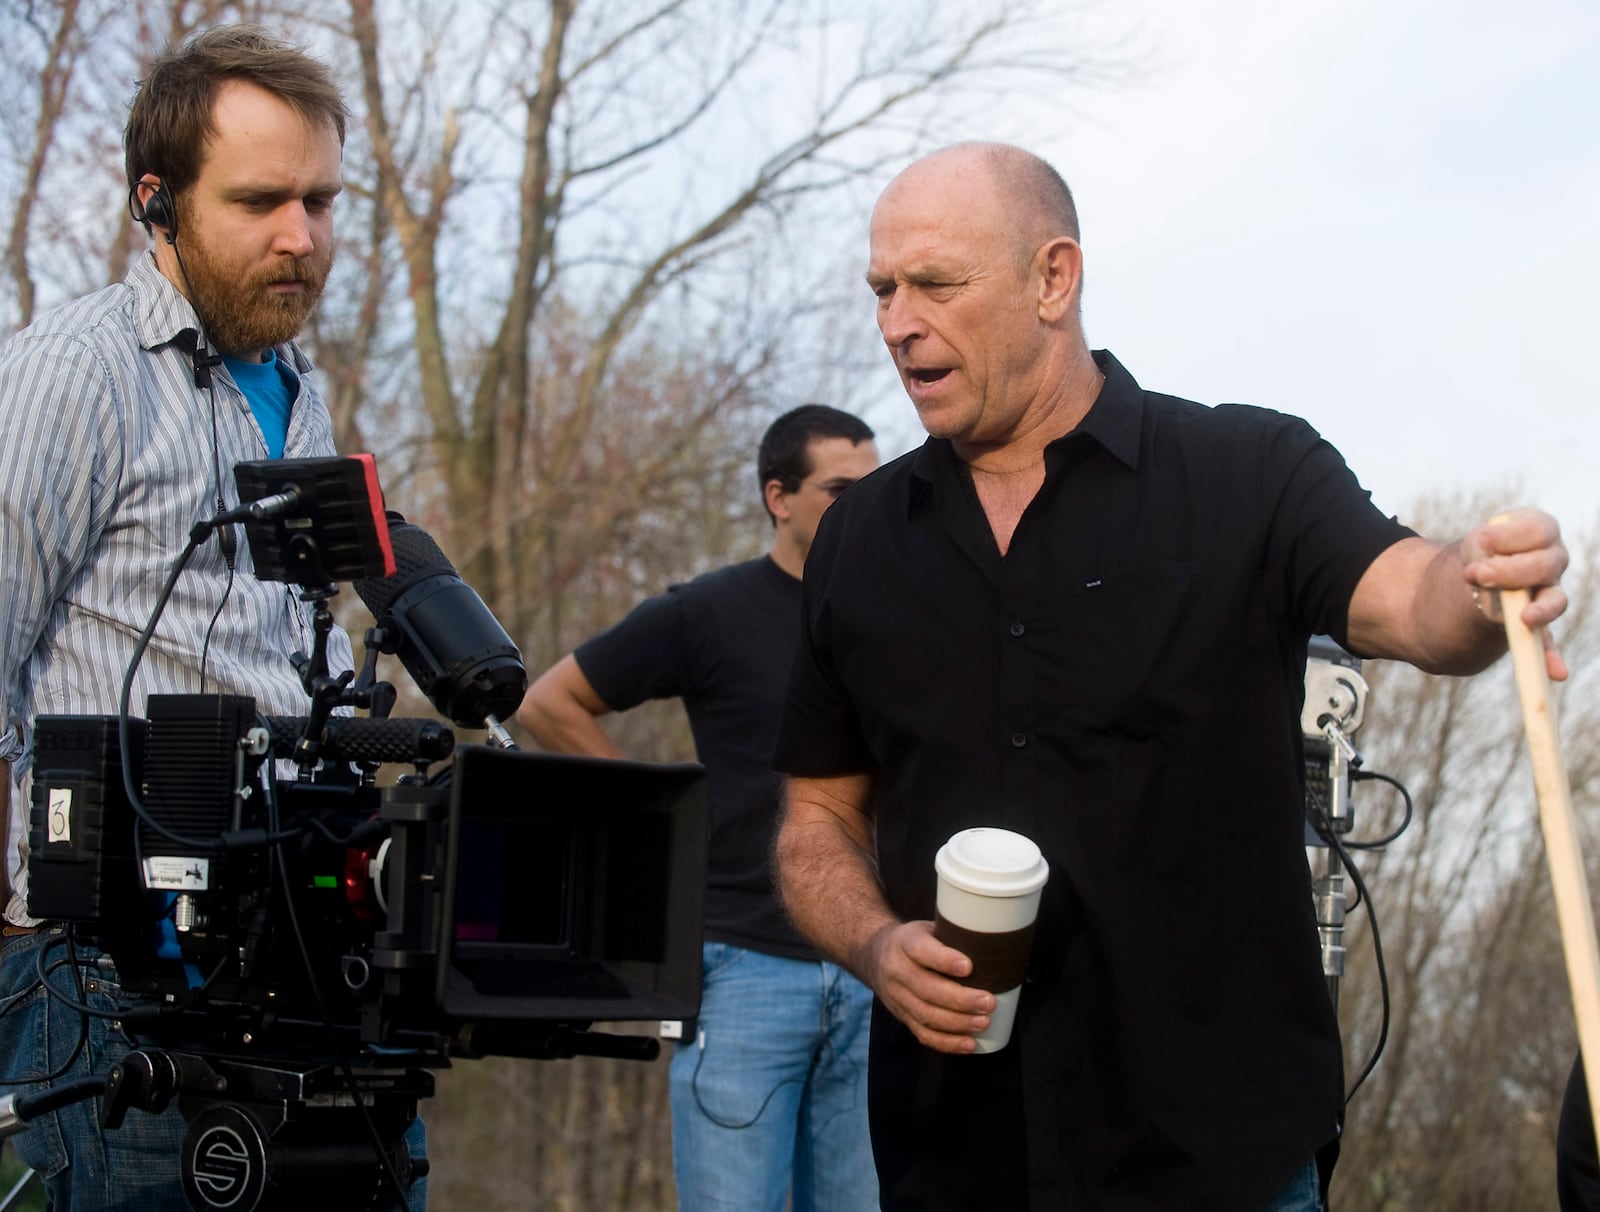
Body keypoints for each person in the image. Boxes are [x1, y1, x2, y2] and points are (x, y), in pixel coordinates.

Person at [770, 141, 1570, 1212]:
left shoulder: (1248, 472)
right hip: (950, 1161)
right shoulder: (858, 538)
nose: (897, 321)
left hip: (1219, 1157)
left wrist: (1478, 587)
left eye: (937, 284)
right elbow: (814, 819)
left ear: (1054, 277)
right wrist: (874, 946)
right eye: (883, 289)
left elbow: (1412, 602)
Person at [0, 26, 424, 1210]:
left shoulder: (301, 388)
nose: (303, 236)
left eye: (322, 201)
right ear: (158, 202)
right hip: (105, 970)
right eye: (259, 201)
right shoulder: (75, 371)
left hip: (296, 948)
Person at [516, 405, 881, 1212]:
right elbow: (550, 703)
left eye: (874, 489)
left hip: (874, 968)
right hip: (743, 972)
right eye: (839, 490)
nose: (861, 507)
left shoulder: (891, 619)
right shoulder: (709, 612)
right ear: (777, 497)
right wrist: (661, 823)